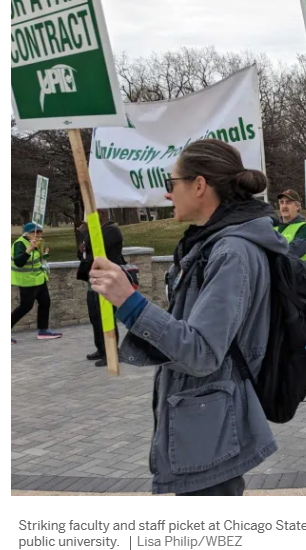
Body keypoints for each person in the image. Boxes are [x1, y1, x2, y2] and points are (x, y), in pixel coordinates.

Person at [89, 138, 283, 496]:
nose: (167, 195)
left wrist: (129, 302)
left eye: (171, 184)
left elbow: (202, 351)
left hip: (211, 432)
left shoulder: (232, 251)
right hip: (204, 424)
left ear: (199, 185)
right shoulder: (212, 244)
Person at [77, 209, 125, 367]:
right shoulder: (95, 233)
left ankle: (112, 352)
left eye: (91, 220)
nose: (88, 225)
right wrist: (82, 247)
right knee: (95, 317)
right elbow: (86, 256)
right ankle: (101, 348)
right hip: (94, 281)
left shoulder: (112, 231)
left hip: (107, 280)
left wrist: (88, 236)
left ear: (102, 215)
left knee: (106, 318)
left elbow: (99, 251)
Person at [11, 222, 61, 343]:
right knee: (25, 307)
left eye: (40, 232)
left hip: (39, 279)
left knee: (45, 302)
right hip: (27, 281)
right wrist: (29, 249)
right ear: (28, 233)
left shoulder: (39, 242)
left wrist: (45, 254)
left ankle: (43, 330)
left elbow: (40, 259)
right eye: (35, 232)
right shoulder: (20, 243)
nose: (38, 234)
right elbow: (19, 262)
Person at [275, 189, 306, 264]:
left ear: (297, 206)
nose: (284, 206)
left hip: (296, 274)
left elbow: (293, 252)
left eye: (288, 202)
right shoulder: (272, 226)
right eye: (281, 202)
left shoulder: (305, 229)